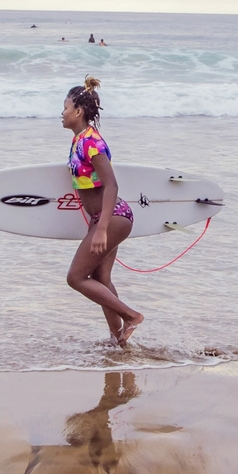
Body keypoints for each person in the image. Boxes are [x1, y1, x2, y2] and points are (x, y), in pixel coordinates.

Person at [61, 76, 144, 346]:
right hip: (104, 218)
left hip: (114, 218)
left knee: (75, 278)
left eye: (64, 107)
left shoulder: (92, 142)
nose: (61, 113)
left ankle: (131, 316)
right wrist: (96, 224)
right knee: (101, 278)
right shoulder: (78, 140)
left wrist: (103, 229)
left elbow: (112, 185)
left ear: (78, 111)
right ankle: (118, 339)